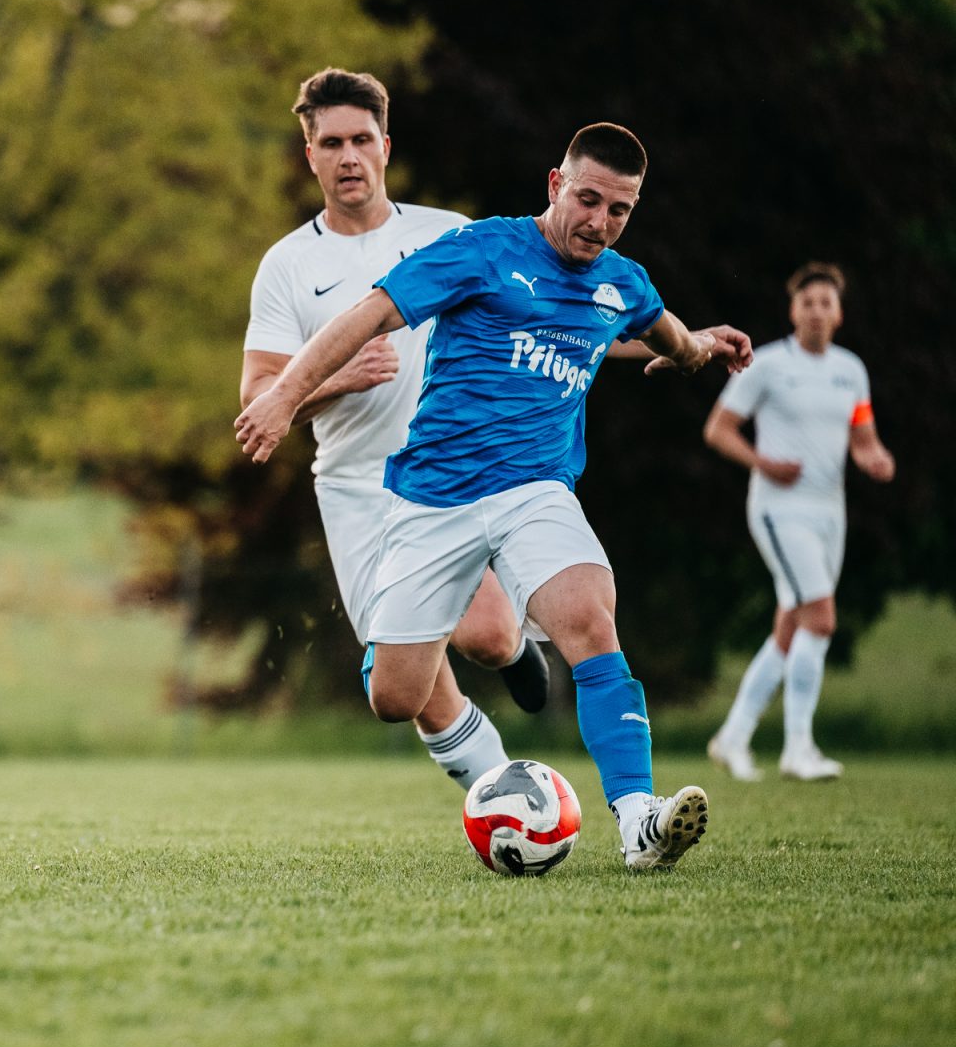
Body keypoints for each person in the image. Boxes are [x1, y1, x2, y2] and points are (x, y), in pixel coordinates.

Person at [234, 123, 752, 871]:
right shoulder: (481, 250)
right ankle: (465, 649)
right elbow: (368, 316)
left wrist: (698, 348)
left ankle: (640, 821)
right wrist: (286, 396)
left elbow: (661, 329)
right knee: (395, 698)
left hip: (535, 491)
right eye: (588, 200)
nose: (600, 222)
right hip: (432, 500)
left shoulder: (623, 282)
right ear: (555, 185)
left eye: (620, 210)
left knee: (590, 618)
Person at [240, 68, 549, 792]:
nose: (348, 156)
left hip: (449, 476)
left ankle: (513, 651)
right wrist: (339, 376)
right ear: (310, 156)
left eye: (361, 140)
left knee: (487, 635)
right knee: (407, 696)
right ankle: (508, 798)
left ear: (386, 146)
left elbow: (546, 314)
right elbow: (260, 399)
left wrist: (671, 340)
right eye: (331, 143)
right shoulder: (288, 265)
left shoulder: (446, 235)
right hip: (354, 491)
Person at [703, 262, 895, 781]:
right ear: (793, 311)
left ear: (839, 314)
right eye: (807, 302)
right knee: (822, 618)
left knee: (791, 628)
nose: (815, 311)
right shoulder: (767, 365)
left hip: (830, 512)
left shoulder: (851, 370)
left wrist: (876, 459)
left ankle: (733, 737)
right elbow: (719, 430)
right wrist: (762, 462)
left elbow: (863, 437)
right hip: (778, 509)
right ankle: (798, 748)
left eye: (825, 303)